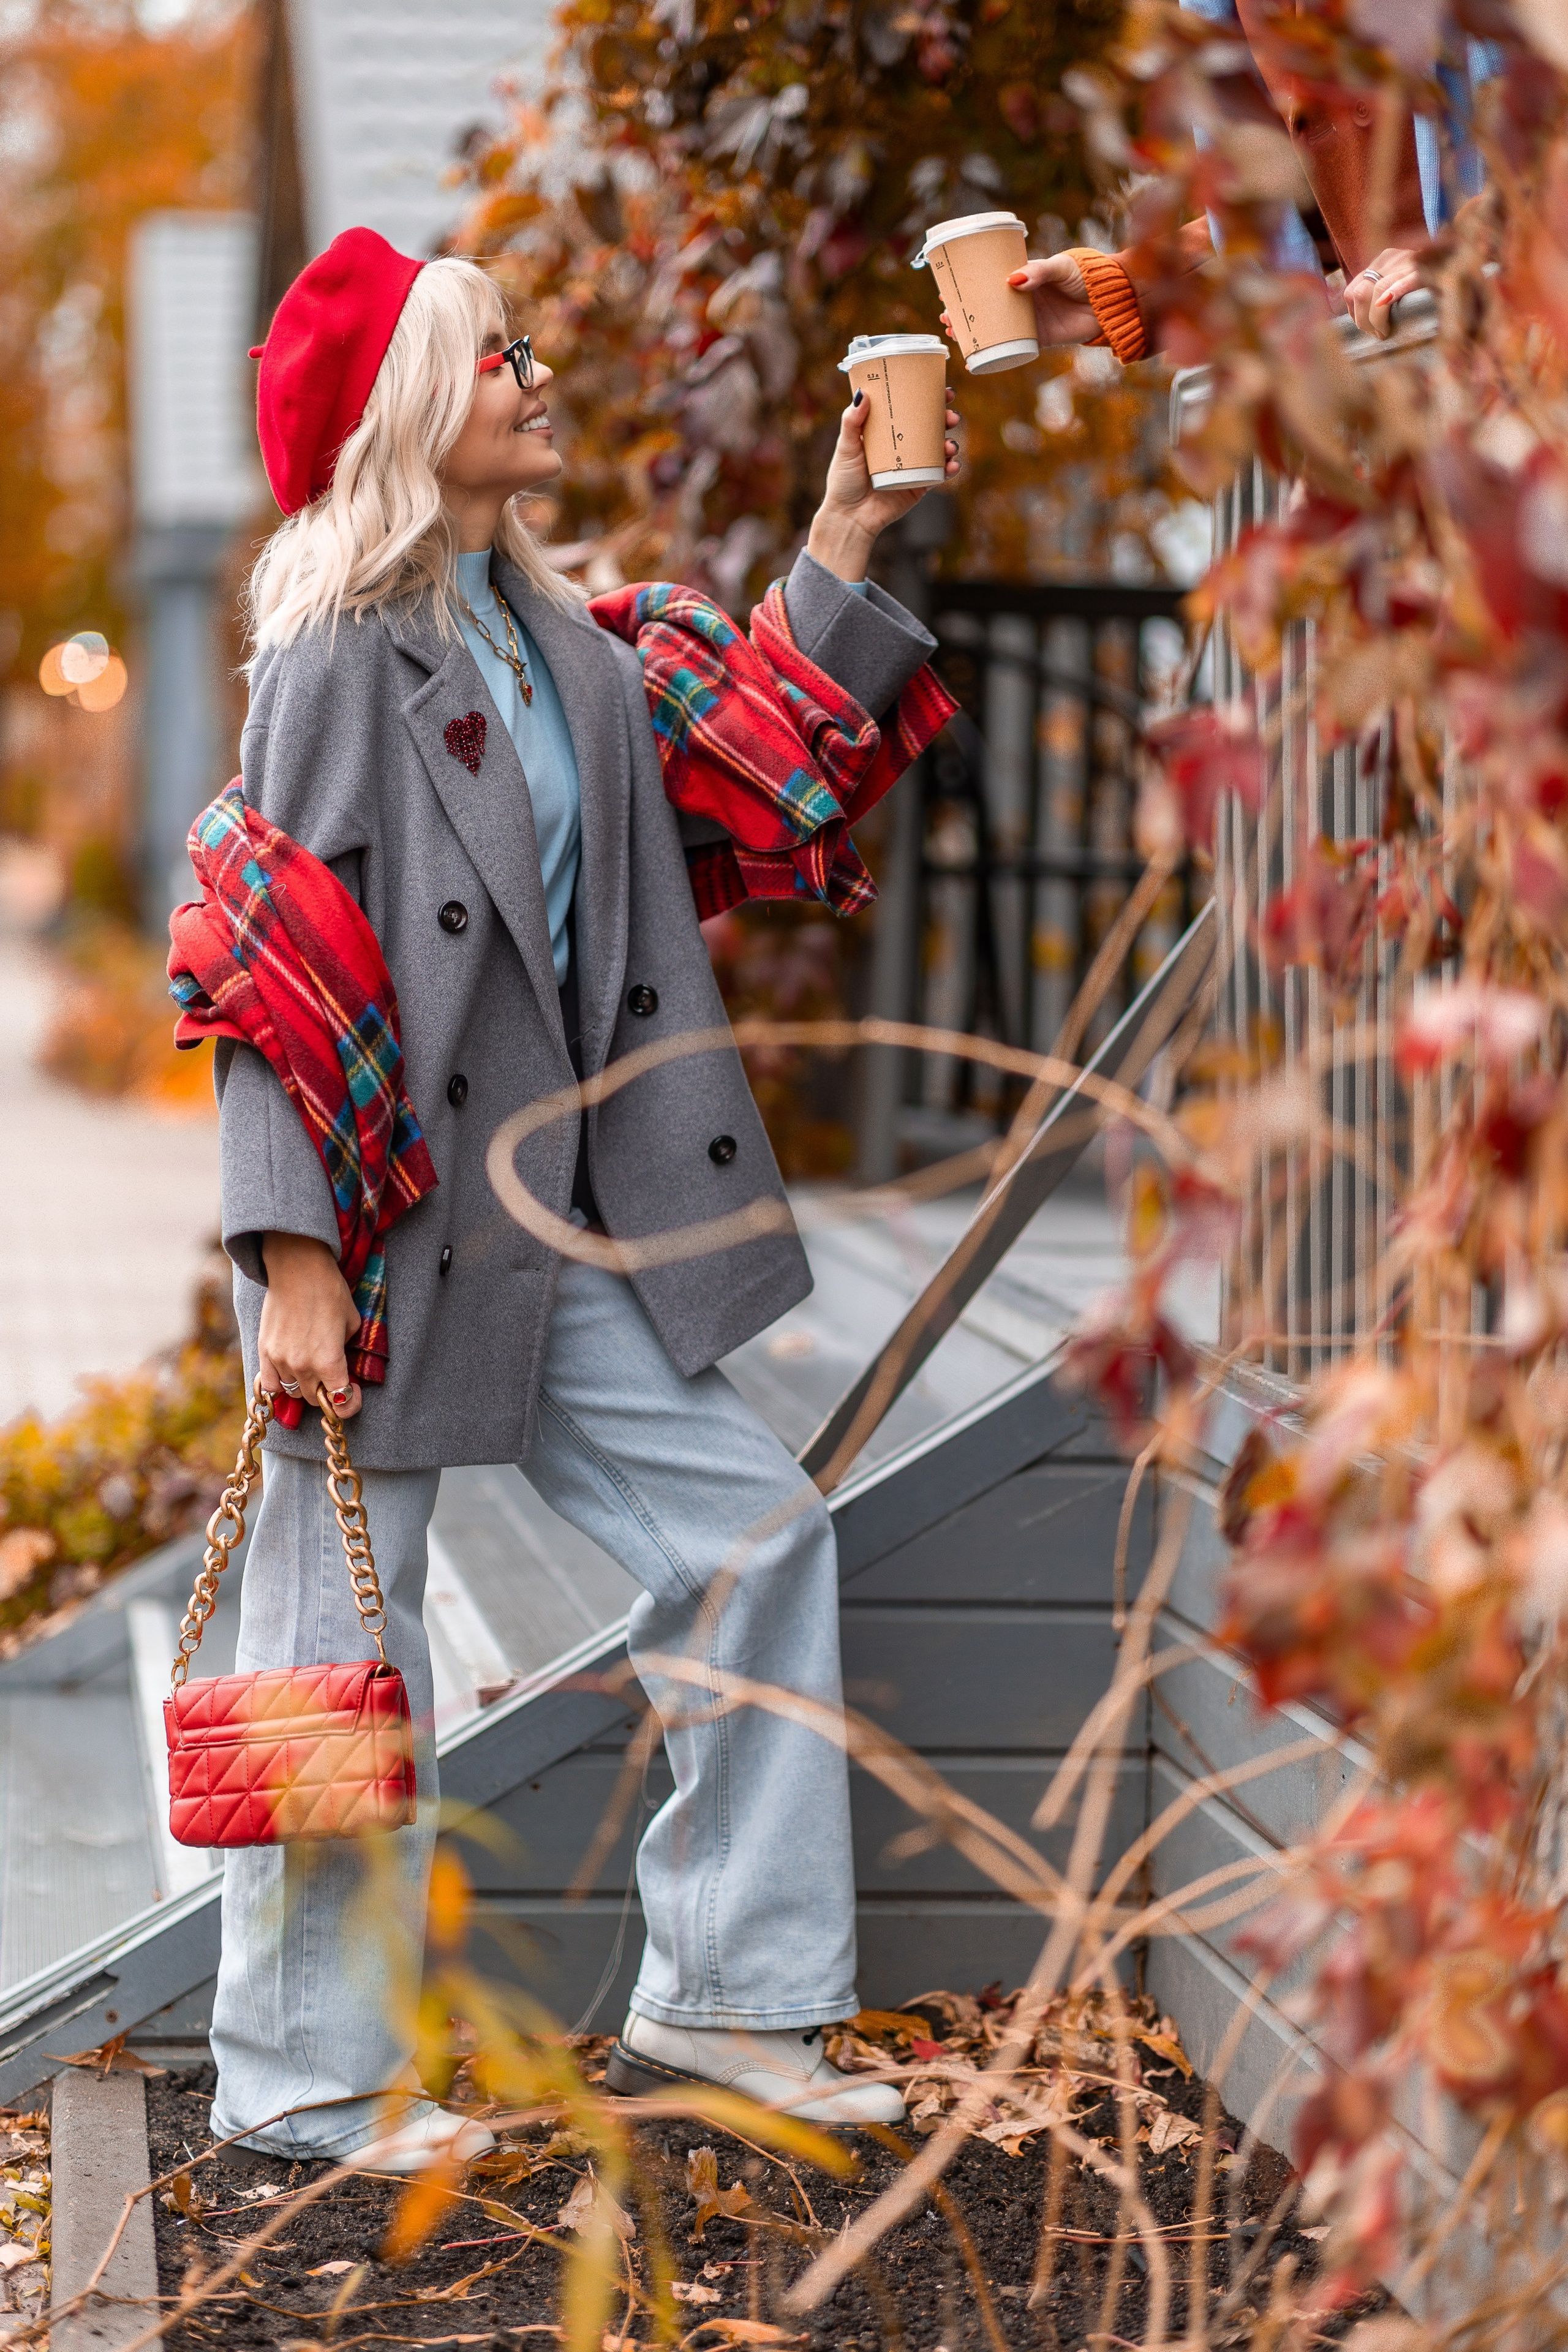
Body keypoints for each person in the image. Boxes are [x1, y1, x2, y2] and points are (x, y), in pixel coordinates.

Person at [205, 227, 960, 2173]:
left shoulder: (566, 646)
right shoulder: (335, 655)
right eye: (496, 355)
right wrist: (291, 1261)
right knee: (333, 1654)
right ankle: (305, 2078)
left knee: (753, 1537)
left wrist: (845, 537)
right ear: (406, 410)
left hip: (557, 1220)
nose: (534, 375)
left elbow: (752, 763)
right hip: (375, 1228)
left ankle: (731, 1994)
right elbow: (264, 962)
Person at [1001, 0, 1502, 361]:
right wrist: (1122, 292)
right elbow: (1306, 198)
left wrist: (1473, 240)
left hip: (1512, 341)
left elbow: (1534, 116)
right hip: (1413, 377)